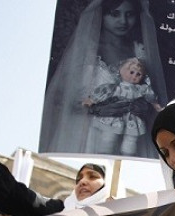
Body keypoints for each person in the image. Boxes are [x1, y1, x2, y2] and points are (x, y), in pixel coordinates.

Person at [39, 0, 166, 157]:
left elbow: (149, 92)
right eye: (114, 14)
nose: (123, 21)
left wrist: (143, 106)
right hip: (85, 134)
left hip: (130, 134)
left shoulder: (140, 51)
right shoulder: (86, 49)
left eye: (129, 14)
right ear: (102, 13)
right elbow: (60, 99)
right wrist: (95, 109)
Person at [84, 57, 163, 156]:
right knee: (109, 135)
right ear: (122, 71)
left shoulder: (141, 89)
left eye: (138, 74)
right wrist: (91, 100)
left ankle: (128, 154)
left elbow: (150, 96)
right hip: (116, 115)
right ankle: (104, 153)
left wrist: (156, 105)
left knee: (131, 138)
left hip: (132, 117)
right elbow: (103, 92)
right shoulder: (115, 87)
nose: (134, 76)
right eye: (131, 72)